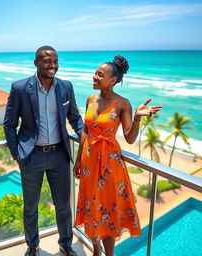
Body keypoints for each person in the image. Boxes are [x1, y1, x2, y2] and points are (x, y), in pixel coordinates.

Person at [73, 55, 162, 256]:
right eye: (95, 73)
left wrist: (138, 118)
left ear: (112, 80)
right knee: (91, 206)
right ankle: (96, 250)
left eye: (99, 75)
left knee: (107, 209)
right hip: (89, 163)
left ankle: (109, 254)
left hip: (109, 166)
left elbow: (129, 138)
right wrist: (78, 160)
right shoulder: (90, 99)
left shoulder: (123, 104)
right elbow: (86, 131)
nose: (94, 77)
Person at [3, 46, 84, 256]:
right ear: (36, 63)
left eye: (55, 61)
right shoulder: (20, 88)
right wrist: (17, 154)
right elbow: (9, 124)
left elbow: (74, 117)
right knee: (30, 207)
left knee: (63, 205)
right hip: (32, 156)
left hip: (59, 155)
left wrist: (86, 136)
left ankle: (65, 243)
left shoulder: (66, 87)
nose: (53, 66)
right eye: (48, 61)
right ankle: (32, 246)